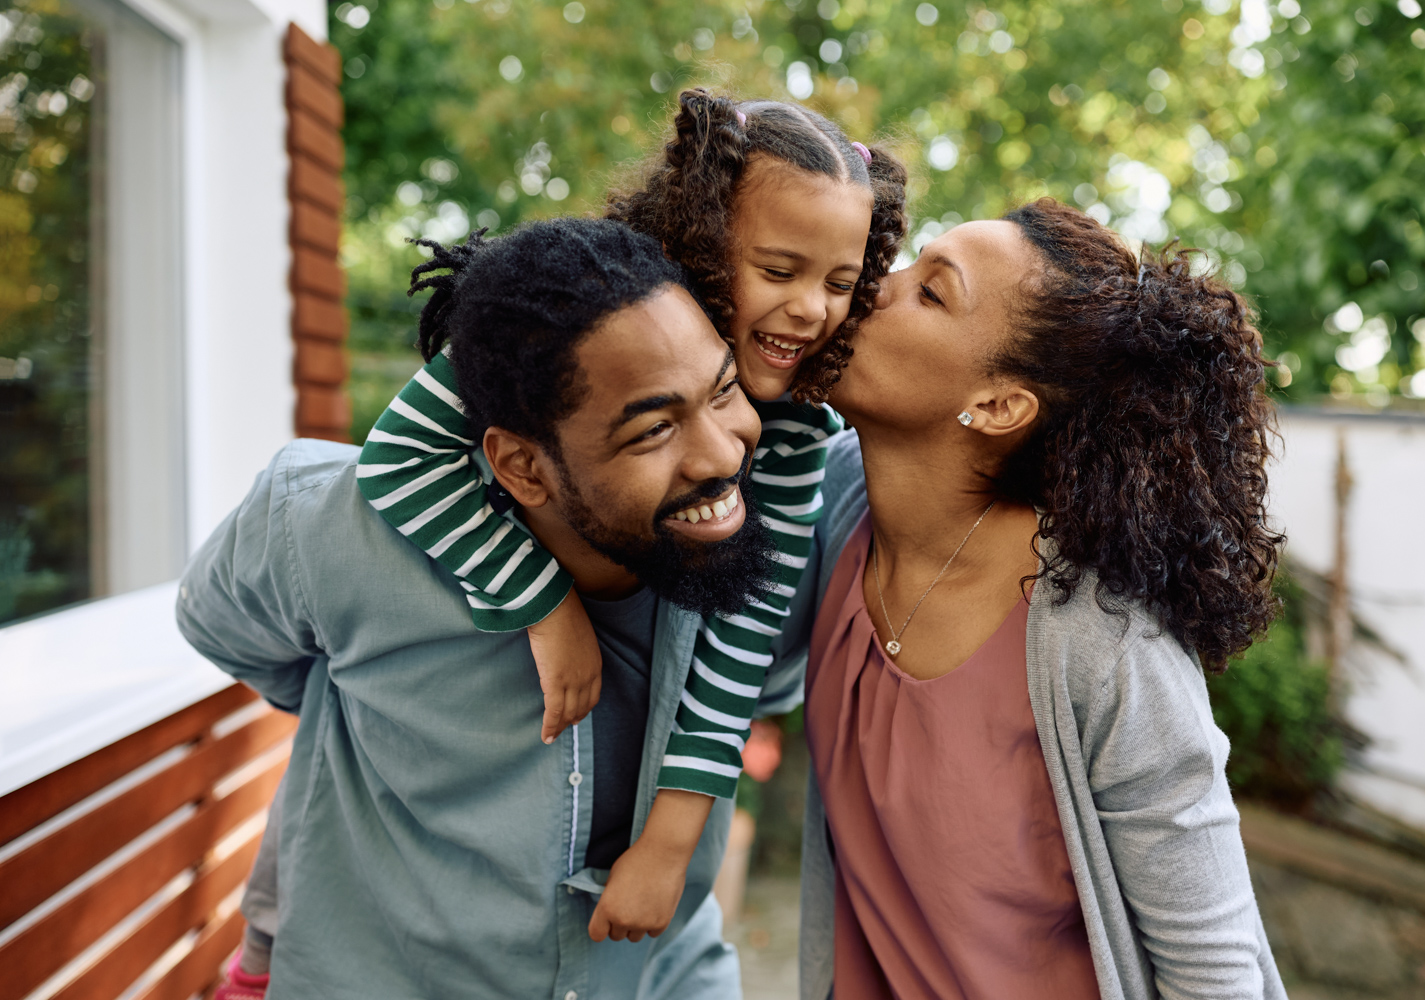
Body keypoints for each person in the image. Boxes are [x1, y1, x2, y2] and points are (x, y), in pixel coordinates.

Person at [178, 218, 820, 1000]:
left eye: (724, 392)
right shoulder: (333, 531)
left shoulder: (765, 547)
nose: (723, 454)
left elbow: (775, 687)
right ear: (521, 465)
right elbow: (225, 630)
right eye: (653, 428)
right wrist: (365, 708)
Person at [351, 91, 906, 946]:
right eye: (780, 270)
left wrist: (669, 843)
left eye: (841, 282)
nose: (811, 310)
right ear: (704, 238)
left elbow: (743, 627)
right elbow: (397, 455)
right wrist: (544, 605)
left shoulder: (793, 419)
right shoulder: (575, 313)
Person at [797, 201, 1288, 999]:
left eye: (931, 292)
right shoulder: (833, 509)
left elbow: (1214, 968)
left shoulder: (1102, 636)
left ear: (997, 405)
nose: (870, 287)